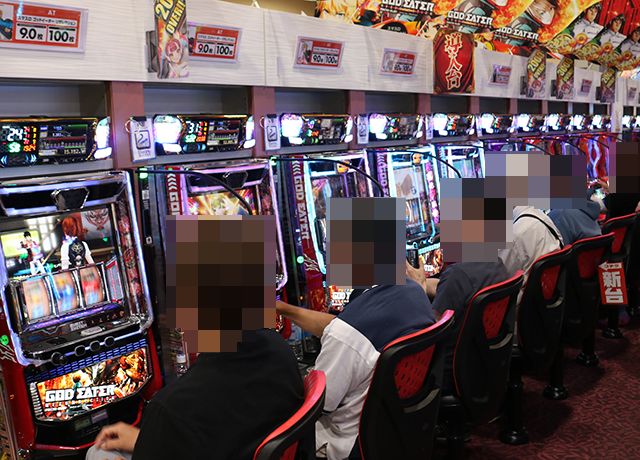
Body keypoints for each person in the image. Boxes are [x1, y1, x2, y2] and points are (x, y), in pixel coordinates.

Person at [85, 328, 305, 460]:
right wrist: (147, 440)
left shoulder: (171, 407)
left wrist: (152, 439)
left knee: (97, 452)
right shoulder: (280, 348)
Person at [276, 278, 435, 460]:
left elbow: (321, 405)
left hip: (350, 439)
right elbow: (337, 329)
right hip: (399, 424)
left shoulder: (346, 334)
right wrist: (281, 308)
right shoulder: (414, 291)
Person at [406, 259, 509, 393]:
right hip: (480, 364)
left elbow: (430, 334)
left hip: (446, 373)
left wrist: (417, 290)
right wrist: (424, 285)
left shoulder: (456, 275)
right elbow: (458, 288)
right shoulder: (496, 263)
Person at [498, 206, 564, 305]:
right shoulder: (544, 219)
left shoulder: (515, 234)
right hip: (546, 299)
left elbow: (498, 278)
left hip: (520, 306)